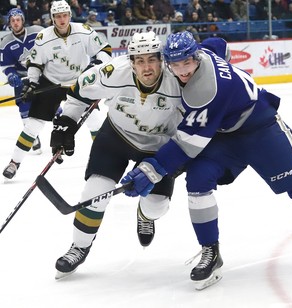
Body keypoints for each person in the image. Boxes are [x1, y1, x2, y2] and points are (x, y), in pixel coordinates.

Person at [121, 31, 292, 290]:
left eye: (186, 63)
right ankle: (211, 252)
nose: (182, 71)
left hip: (261, 130)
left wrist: (150, 171)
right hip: (224, 136)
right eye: (175, 64)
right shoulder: (206, 50)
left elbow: (187, 144)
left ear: (195, 58)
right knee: (197, 179)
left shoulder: (205, 91)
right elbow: (219, 43)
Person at [48, 31, 183, 279]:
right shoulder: (112, 72)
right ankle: (79, 246)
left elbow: (194, 123)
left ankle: (145, 215)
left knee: (157, 207)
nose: (146, 67)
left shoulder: (179, 80)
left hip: (158, 148)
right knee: (94, 193)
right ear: (130, 61)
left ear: (161, 59)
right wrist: (65, 122)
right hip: (117, 137)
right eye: (139, 60)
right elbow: (78, 92)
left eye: (151, 59)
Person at [2, 0, 112, 180]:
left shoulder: (83, 30)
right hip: (51, 81)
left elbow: (104, 49)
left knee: (94, 121)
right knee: (33, 125)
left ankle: (105, 160)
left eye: (65, 15)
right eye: (58, 16)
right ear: (52, 18)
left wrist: (98, 63)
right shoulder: (43, 37)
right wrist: (32, 83)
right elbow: (35, 63)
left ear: (69, 15)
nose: (62, 20)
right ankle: (14, 162)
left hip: (78, 84)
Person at [0, 8, 44, 154]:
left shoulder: (37, 32)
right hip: (22, 78)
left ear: (23, 20)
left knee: (54, 107)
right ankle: (33, 137)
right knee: (24, 110)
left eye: (18, 20)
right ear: (9, 23)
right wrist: (11, 75)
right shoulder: (5, 42)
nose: (16, 23)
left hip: (41, 74)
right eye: (12, 21)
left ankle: (60, 131)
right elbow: (6, 66)